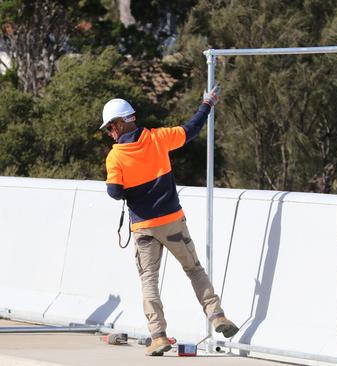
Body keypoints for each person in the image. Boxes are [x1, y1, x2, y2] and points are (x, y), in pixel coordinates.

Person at [101, 86, 239, 356]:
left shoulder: (115, 156)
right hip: (173, 221)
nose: (110, 133)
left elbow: (114, 192)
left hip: (143, 227)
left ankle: (159, 336)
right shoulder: (158, 138)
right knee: (194, 269)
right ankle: (218, 316)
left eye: (109, 127)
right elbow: (191, 130)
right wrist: (206, 104)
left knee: (149, 281)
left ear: (119, 124)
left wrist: (132, 187)